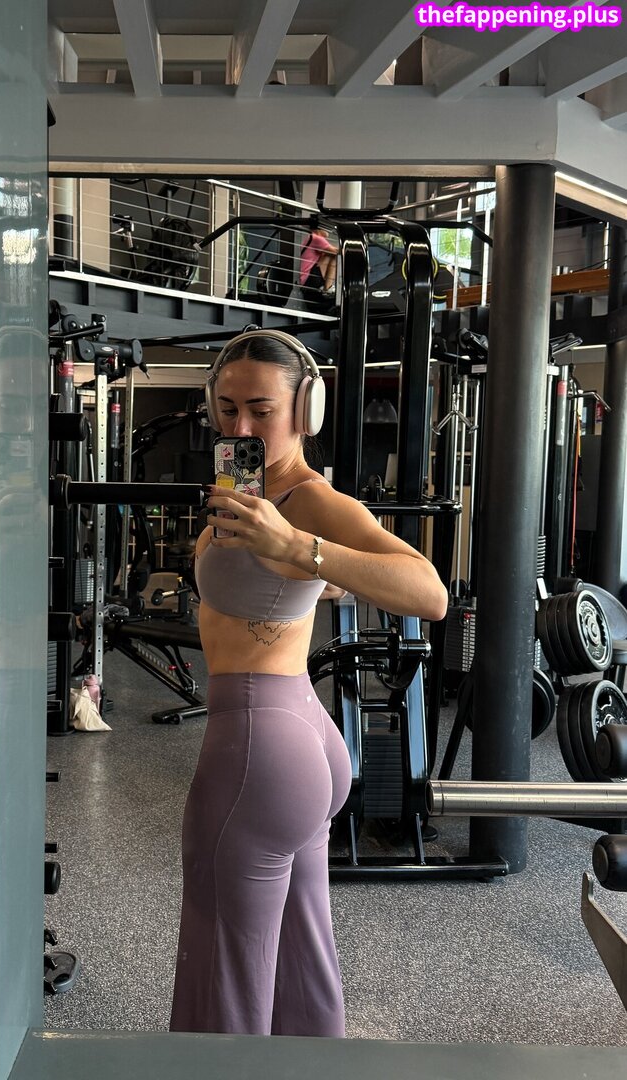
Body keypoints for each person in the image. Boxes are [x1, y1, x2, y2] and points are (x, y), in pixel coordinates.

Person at [169, 329, 448, 1038]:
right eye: (227, 409)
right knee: (300, 963)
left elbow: (429, 592)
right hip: (295, 738)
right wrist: (310, 575)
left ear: (305, 411)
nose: (240, 429)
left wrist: (298, 547)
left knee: (225, 971)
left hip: (258, 748)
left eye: (261, 410)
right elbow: (295, 580)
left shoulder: (309, 501)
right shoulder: (249, 489)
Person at [298, 224, 339, 295]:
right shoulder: (317, 239)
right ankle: (327, 288)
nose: (328, 230)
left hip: (303, 278)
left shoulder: (310, 237)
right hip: (307, 279)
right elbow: (337, 252)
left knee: (329, 254)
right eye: (325, 227)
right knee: (335, 255)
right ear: (319, 229)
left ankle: (327, 288)